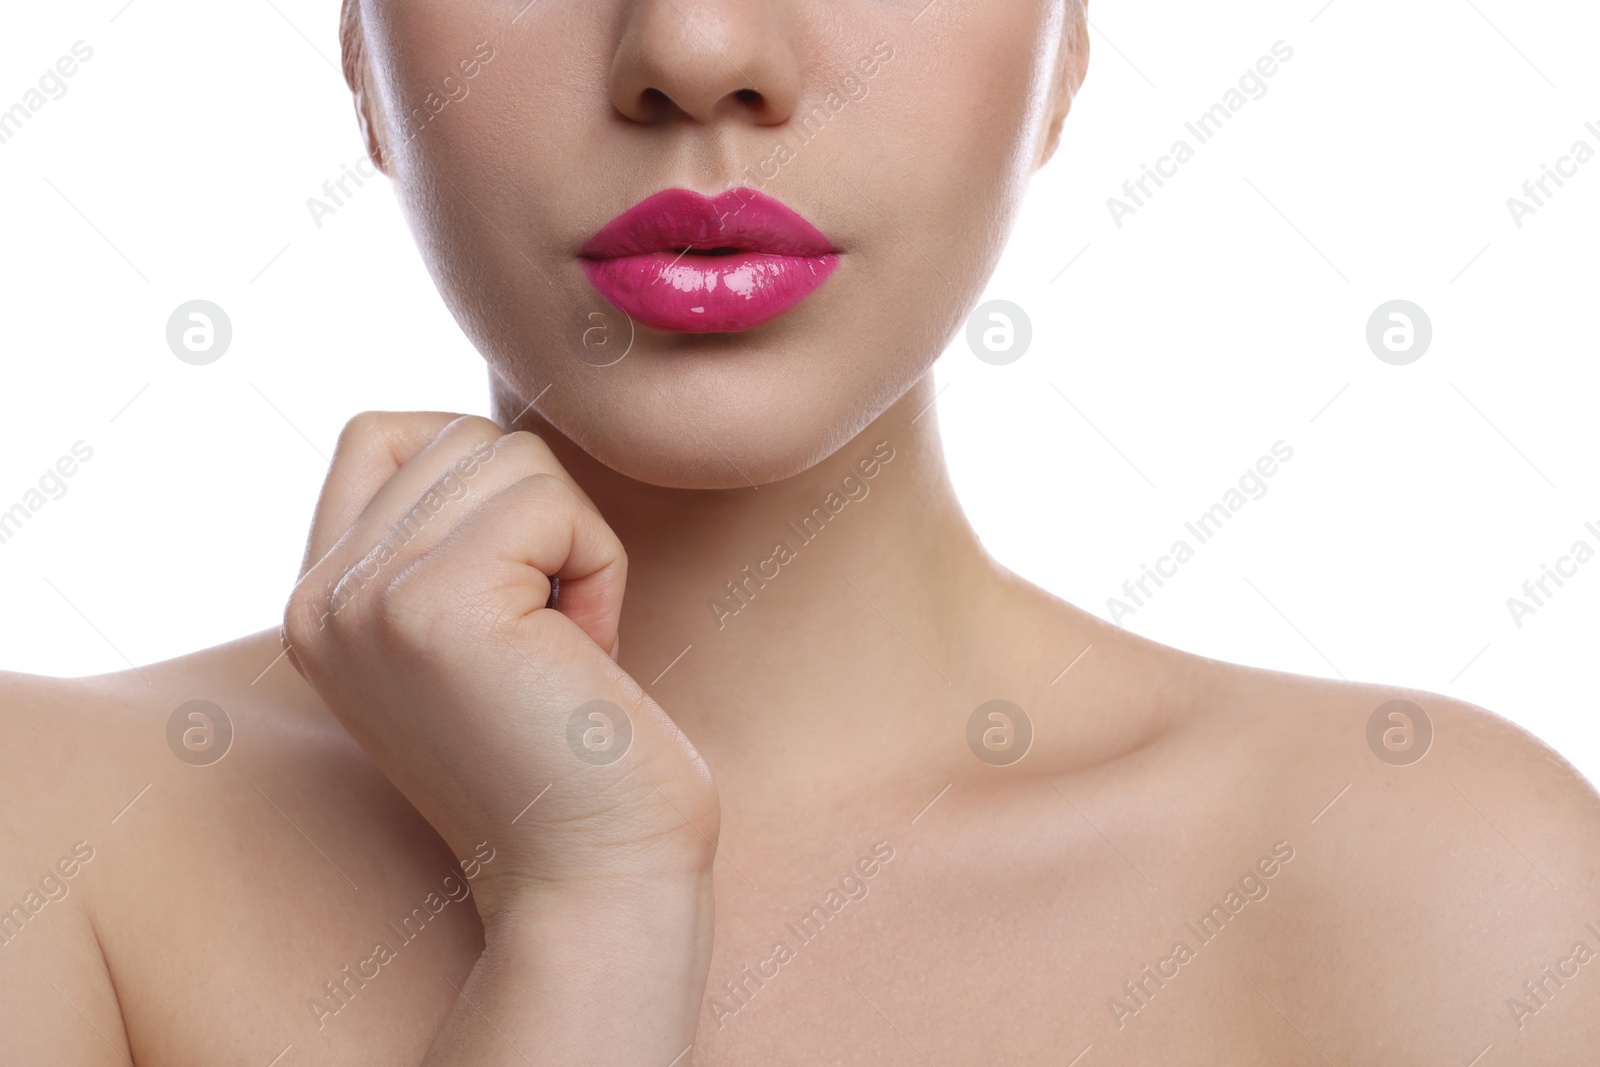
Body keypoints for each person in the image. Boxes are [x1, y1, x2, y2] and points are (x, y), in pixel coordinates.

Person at [4, 1, 1597, 1063]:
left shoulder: (1445, 889)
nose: (694, 47)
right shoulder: (48, 850)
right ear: (358, 50)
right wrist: (590, 910)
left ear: (1066, 49)